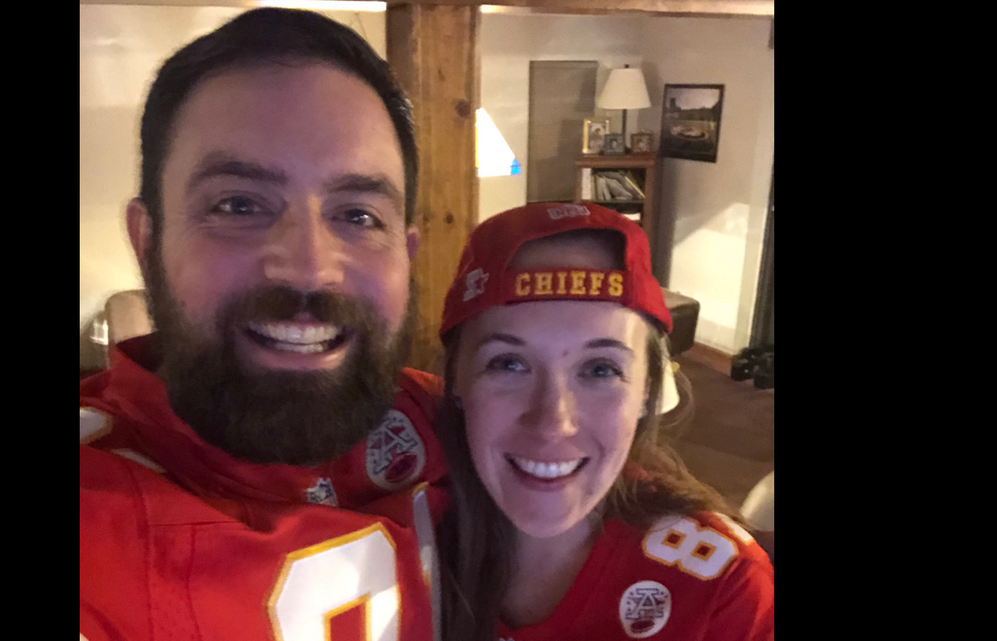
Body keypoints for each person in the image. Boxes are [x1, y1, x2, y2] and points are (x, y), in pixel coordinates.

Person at [79, 9, 448, 640]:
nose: (309, 268)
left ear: (405, 256)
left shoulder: (460, 424)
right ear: (148, 242)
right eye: (238, 205)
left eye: (358, 216)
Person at [434, 202, 774, 641]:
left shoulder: (723, 593)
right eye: (509, 364)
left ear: (647, 389)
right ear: (455, 379)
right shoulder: (391, 534)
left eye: (599, 370)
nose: (554, 422)